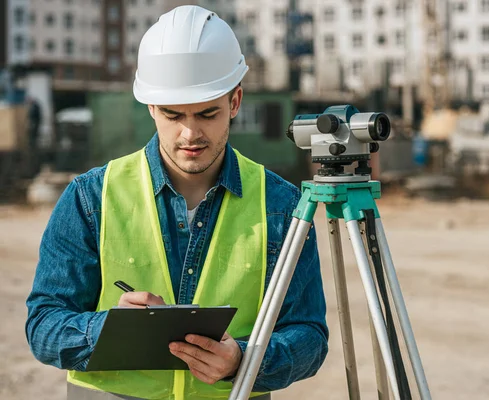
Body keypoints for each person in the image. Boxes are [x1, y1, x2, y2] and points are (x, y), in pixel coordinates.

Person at [25, 6, 328, 400]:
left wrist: (245, 360)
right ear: (151, 106)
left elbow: (309, 335)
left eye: (207, 113)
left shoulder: (282, 204)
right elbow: (43, 325)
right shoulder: (91, 196)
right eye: (172, 115)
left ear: (235, 101)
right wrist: (109, 330)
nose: (190, 133)